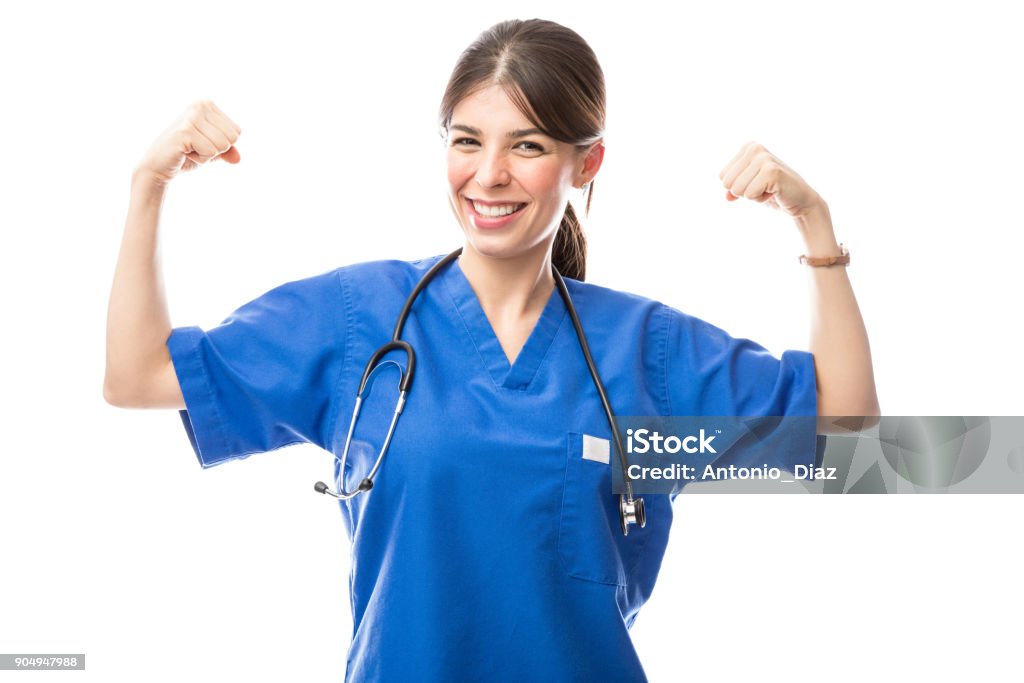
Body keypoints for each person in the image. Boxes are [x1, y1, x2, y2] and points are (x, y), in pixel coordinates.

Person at [104, 18, 879, 683]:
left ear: (587, 163)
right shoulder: (361, 320)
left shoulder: (647, 352)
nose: (489, 175)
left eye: (529, 145)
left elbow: (847, 437)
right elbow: (137, 375)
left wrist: (813, 224)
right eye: (467, 141)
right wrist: (148, 184)